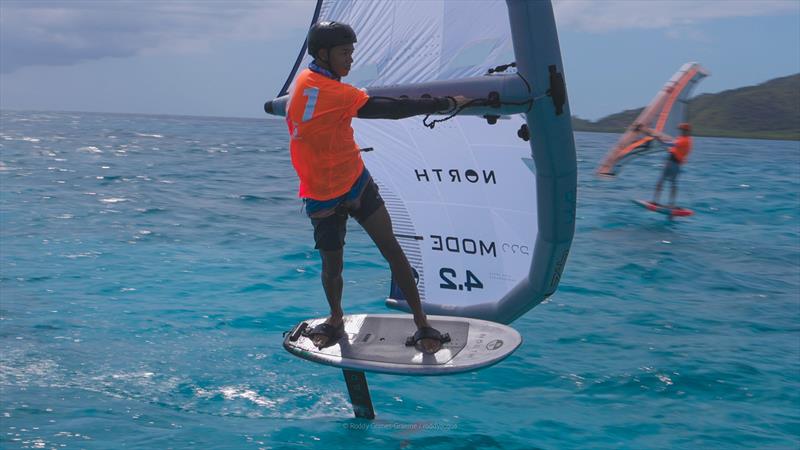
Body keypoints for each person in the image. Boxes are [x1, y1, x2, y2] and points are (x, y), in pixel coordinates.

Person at [285, 21, 463, 353]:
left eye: (352, 52)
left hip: (354, 182)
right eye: (344, 53)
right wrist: (443, 103)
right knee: (333, 267)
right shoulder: (333, 92)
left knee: (391, 249)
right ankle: (336, 318)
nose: (350, 60)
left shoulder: (307, 81)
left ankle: (422, 322)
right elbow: (390, 110)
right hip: (322, 193)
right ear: (323, 54)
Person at [636, 122, 693, 207]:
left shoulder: (685, 140)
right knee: (666, 183)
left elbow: (670, 144)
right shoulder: (683, 138)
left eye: (682, 130)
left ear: (687, 131)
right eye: (681, 130)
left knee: (667, 183)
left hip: (673, 164)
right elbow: (673, 144)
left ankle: (665, 203)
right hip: (673, 163)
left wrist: (659, 139)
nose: (681, 131)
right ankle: (662, 202)